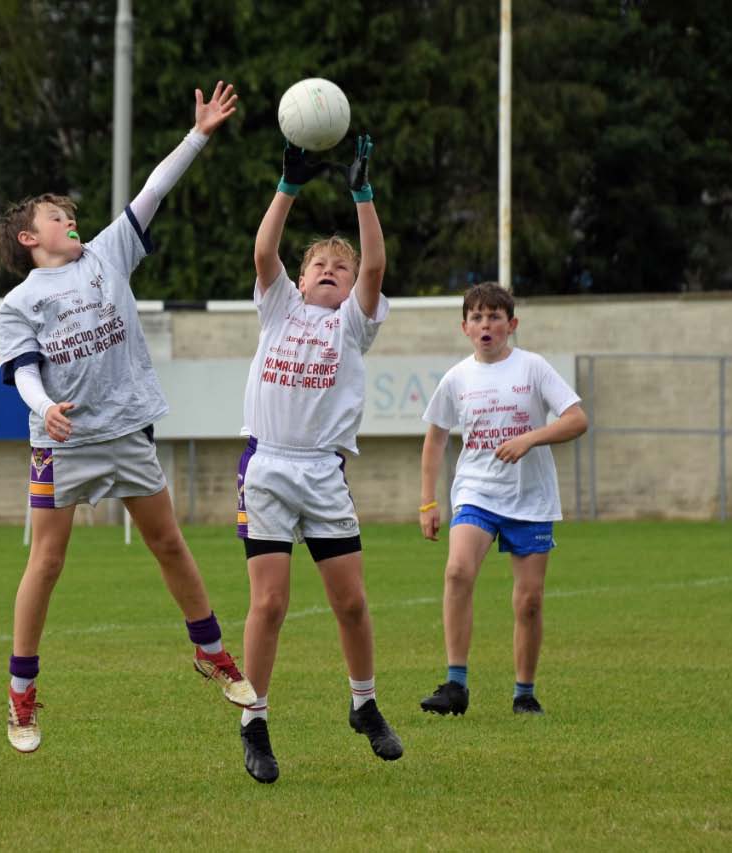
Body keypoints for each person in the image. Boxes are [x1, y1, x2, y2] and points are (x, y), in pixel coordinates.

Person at [0, 82, 257, 754]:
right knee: (46, 562)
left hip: (126, 429)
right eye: (55, 216)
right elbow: (22, 370)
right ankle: (21, 698)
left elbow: (153, 190)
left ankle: (213, 653)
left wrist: (198, 135)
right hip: (66, 443)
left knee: (169, 543)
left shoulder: (107, 253)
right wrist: (44, 406)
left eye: (70, 213)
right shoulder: (19, 302)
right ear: (29, 238)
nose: (69, 220)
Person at [232, 135, 401, 785]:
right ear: (299, 280)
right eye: (319, 264)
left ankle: (363, 704)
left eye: (340, 263)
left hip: (322, 471)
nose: (330, 267)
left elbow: (377, 266)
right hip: (267, 468)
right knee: (269, 603)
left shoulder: (352, 323)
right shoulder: (278, 308)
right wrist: (287, 185)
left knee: (351, 604)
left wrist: (362, 195)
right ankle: (255, 721)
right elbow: (262, 250)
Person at [417, 283, 587, 717]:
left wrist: (530, 438)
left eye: (494, 316)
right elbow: (435, 439)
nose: (485, 324)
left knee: (528, 601)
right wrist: (428, 501)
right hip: (477, 491)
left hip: (530, 498)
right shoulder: (457, 378)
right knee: (457, 572)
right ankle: (456, 685)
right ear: (465, 328)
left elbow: (577, 420)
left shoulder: (533, 367)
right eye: (476, 317)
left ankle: (524, 693)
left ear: (511, 325)